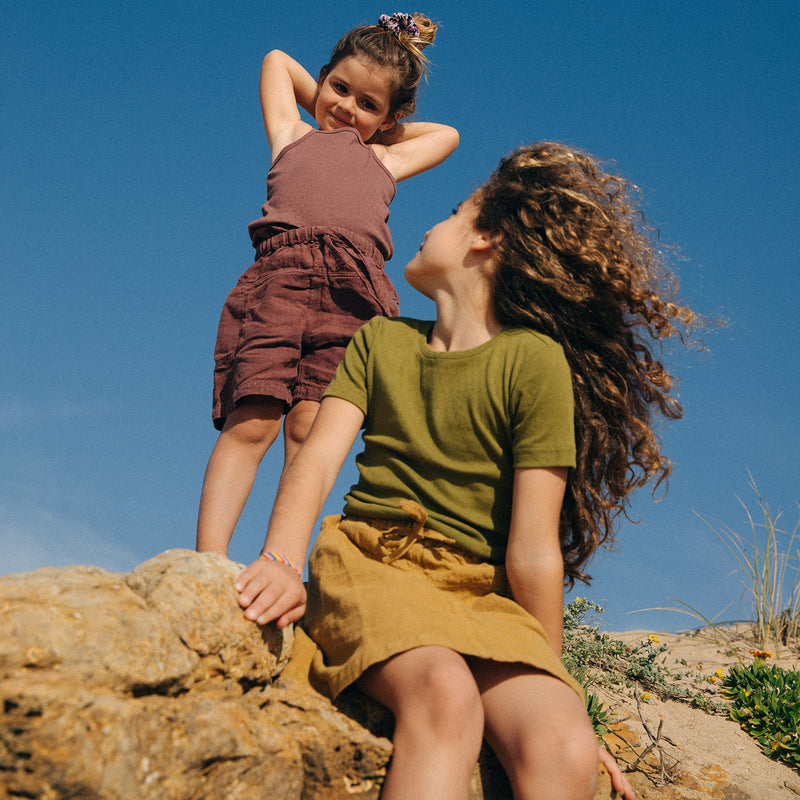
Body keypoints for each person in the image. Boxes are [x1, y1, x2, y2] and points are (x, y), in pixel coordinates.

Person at [236, 141, 697, 799]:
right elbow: (314, 462)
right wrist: (281, 562)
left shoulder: (534, 363)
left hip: (480, 595)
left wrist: (554, 681)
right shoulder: (379, 339)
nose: (429, 225)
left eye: (454, 211)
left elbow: (534, 551)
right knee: (445, 697)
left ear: (486, 240)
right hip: (374, 568)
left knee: (564, 743)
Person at [196, 12, 458, 555]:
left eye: (368, 104)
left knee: (310, 432)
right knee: (253, 419)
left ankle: (281, 560)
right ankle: (209, 558)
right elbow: (276, 62)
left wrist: (377, 127)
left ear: (391, 118)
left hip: (353, 293)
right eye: (339, 88)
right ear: (321, 78)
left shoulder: (384, 158)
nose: (345, 107)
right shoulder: (291, 134)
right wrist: (340, 102)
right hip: (281, 280)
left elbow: (447, 135)